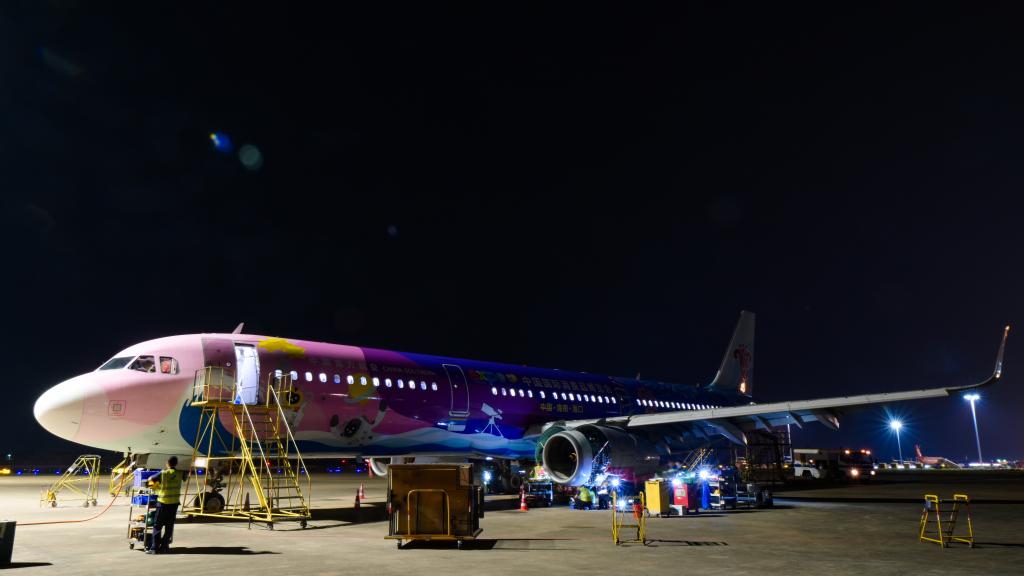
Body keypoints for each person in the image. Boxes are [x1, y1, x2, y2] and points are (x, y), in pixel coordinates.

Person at [146, 456, 182, 554]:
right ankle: (164, 546)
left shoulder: (163, 473)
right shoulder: (180, 474)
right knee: (169, 526)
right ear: (176, 463)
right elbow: (185, 477)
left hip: (163, 503)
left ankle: (154, 548)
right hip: (174, 504)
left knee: (157, 526)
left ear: (167, 463)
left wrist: (155, 488)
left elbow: (150, 479)